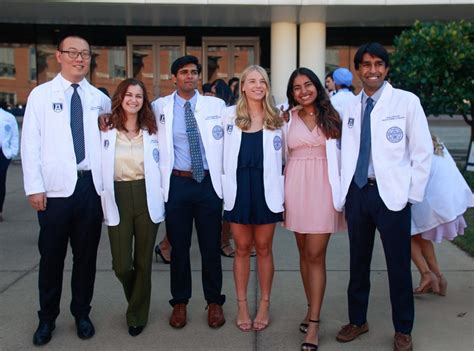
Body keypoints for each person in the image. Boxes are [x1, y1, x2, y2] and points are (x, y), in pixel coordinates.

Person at [335, 42, 432, 351]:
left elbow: (422, 152)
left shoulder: (406, 102)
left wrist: (411, 194)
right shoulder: (349, 106)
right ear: (358, 70)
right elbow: (341, 150)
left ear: (387, 69)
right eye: (366, 64)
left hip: (393, 196)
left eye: (378, 64)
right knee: (358, 262)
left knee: (398, 265)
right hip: (359, 194)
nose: (372, 70)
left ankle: (403, 329)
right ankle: (357, 320)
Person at [21, 35, 111, 346]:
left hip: (90, 188)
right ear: (58, 56)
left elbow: (108, 145)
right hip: (55, 191)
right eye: (72, 52)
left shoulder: (99, 98)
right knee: (52, 258)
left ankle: (81, 313)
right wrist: (35, 187)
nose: (79, 58)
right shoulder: (41, 95)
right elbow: (30, 144)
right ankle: (46, 318)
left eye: (85, 53)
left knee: (85, 258)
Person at [152, 55, 226, 329]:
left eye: (194, 72)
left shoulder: (216, 106)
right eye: (183, 72)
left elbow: (240, 124)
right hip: (178, 184)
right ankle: (180, 302)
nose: (189, 76)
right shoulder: (160, 107)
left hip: (207, 184)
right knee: (179, 247)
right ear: (174, 78)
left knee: (210, 246)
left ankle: (214, 301)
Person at [284, 68, 346, 350]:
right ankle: (311, 309)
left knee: (315, 254)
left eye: (307, 85)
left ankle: (315, 325)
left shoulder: (333, 115)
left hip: (324, 186)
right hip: (295, 185)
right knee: (302, 252)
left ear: (317, 87)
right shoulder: (287, 118)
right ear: (292, 93)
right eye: (297, 87)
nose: (303, 91)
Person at [100, 78, 165, 336]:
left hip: (146, 194)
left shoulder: (153, 129)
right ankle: (136, 298)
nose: (134, 100)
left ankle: (137, 314)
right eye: (129, 95)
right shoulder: (105, 128)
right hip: (118, 196)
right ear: (120, 97)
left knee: (143, 260)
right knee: (122, 265)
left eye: (139, 96)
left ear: (144, 101)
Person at [222, 65, 284, 332]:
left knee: (265, 248)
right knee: (242, 249)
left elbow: (289, 158)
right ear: (242, 86)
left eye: (263, 81)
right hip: (238, 190)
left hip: (266, 190)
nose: (258, 85)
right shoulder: (227, 117)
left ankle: (265, 304)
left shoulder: (279, 119)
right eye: (252, 81)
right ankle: (243, 306)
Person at [411, 134, 474, 295]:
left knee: (402, 234)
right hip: (449, 196)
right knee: (418, 235)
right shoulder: (432, 139)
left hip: (434, 199)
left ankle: (427, 275)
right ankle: (438, 277)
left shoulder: (413, 140)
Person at [0, 100, 19, 221]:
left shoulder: (8, 117)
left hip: (2, 153)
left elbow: (14, 135)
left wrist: (12, 152)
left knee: (0, 181)